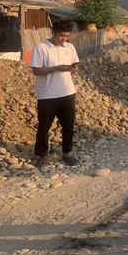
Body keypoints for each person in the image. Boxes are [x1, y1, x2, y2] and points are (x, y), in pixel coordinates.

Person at [28, 20, 80, 167]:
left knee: (68, 125)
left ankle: (67, 153)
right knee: (44, 126)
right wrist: (56, 68)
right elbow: (36, 70)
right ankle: (41, 155)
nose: (64, 39)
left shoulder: (69, 47)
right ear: (53, 32)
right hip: (47, 94)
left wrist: (74, 68)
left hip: (68, 92)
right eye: (61, 35)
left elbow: (75, 63)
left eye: (67, 36)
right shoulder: (41, 48)